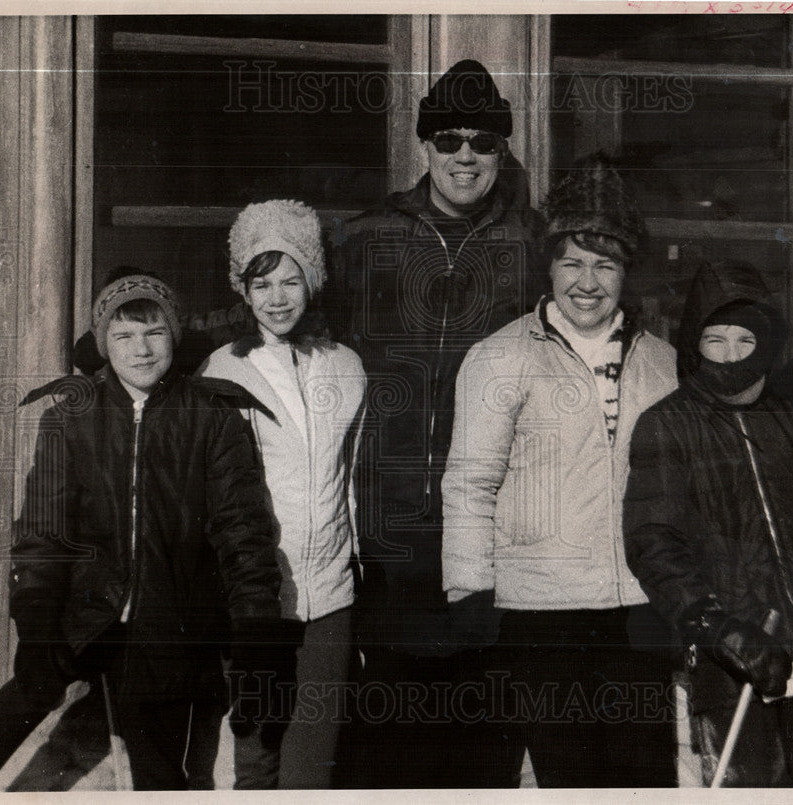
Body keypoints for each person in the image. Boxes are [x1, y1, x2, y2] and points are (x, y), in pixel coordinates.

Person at [0, 269, 290, 791]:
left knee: (160, 774)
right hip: (85, 612)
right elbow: (44, 531)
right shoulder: (73, 416)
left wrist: (255, 629)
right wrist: (38, 617)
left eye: (154, 333)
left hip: (167, 628)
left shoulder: (211, 416)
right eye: (123, 336)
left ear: (174, 336)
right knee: (8, 716)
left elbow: (242, 531)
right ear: (103, 345)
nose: (141, 350)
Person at [329, 59, 546, 787]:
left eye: (483, 143)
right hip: (385, 520)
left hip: (489, 520)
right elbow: (278, 315)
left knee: (481, 730)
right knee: (385, 733)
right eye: (448, 139)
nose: (464, 155)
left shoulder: (534, 247)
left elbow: (610, 324)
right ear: (423, 145)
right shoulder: (365, 238)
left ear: (501, 153)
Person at [441, 151, 680, 787]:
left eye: (605, 264)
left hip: (639, 607)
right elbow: (470, 482)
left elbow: (683, 491)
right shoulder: (499, 358)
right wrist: (469, 590)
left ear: (627, 271)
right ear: (548, 267)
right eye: (572, 262)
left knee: (645, 780)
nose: (587, 281)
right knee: (570, 779)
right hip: (541, 615)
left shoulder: (664, 364)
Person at [622, 259, 793, 787]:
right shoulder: (666, 426)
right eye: (714, 340)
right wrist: (719, 629)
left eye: (744, 341)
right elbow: (654, 544)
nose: (729, 356)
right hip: (736, 666)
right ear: (692, 342)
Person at [199, 199, 366, 789]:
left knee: (309, 767)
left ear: (312, 281)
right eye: (261, 282)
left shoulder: (346, 366)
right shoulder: (223, 372)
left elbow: (350, 477)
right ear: (243, 290)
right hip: (258, 602)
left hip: (329, 596)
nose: (277, 297)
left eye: (291, 279)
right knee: (258, 757)